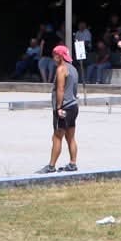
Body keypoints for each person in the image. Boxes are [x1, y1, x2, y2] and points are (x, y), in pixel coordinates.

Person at [41, 43, 79, 174]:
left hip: (64, 107)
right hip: (73, 106)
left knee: (57, 137)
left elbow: (60, 89)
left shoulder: (61, 69)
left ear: (60, 56)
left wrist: (58, 107)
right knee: (71, 137)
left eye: (54, 55)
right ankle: (73, 163)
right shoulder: (73, 68)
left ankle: (51, 166)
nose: (53, 58)